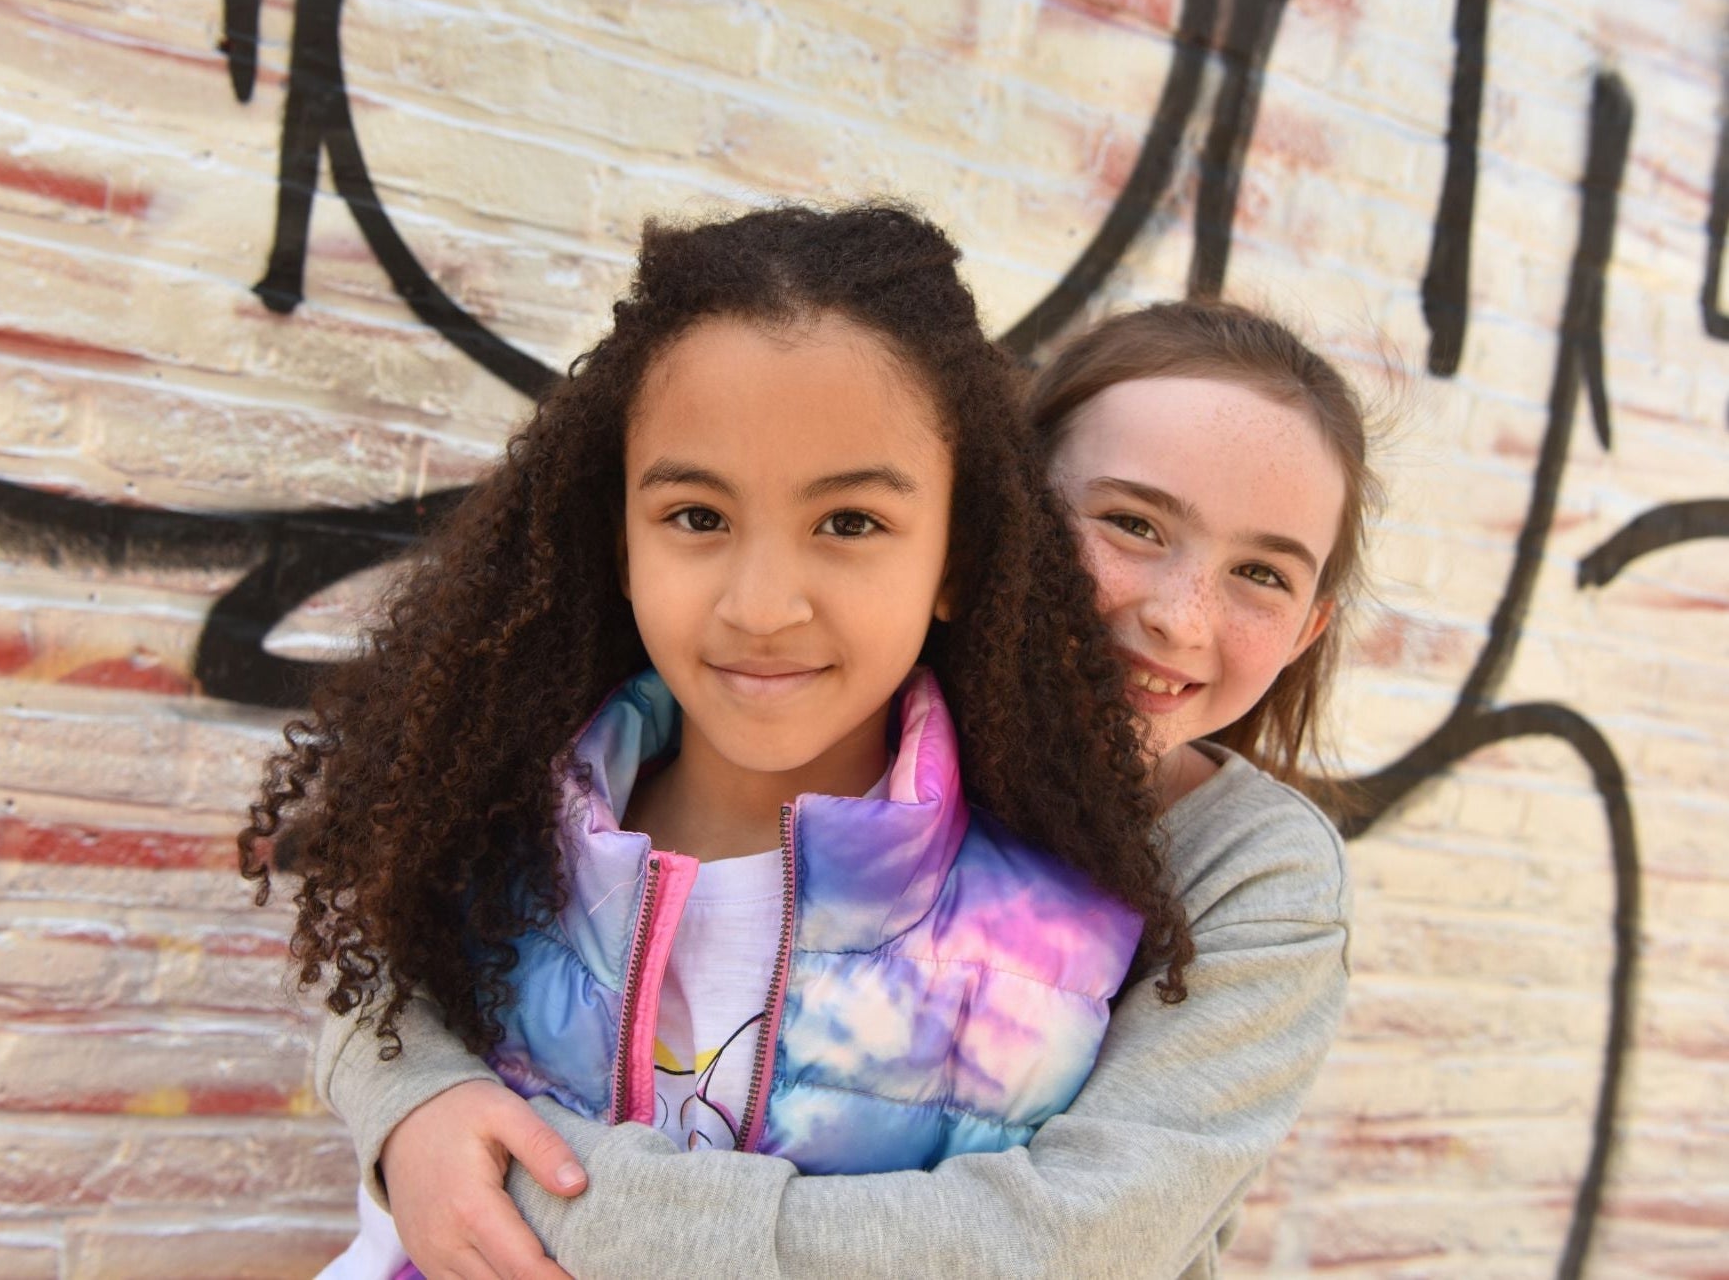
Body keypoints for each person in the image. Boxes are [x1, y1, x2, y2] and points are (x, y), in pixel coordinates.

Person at [315, 298, 1371, 1280]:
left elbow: (1070, 1236)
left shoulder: (1256, 868)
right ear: (1006, 521)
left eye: (1262, 573)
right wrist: (416, 1097)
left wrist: (528, 1191)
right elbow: (398, 904)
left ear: (1311, 625)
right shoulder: (782, 698)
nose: (1178, 617)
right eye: (1132, 524)